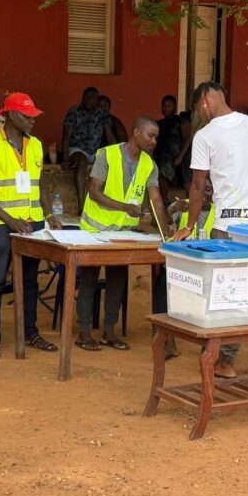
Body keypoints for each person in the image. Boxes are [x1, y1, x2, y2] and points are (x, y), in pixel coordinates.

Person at [173, 81, 248, 378]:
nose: (199, 115)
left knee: (229, 294)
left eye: (197, 108)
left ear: (205, 102)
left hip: (226, 227)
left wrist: (190, 225)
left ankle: (227, 361)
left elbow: (197, 186)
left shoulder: (205, 136)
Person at [0, 92, 61, 360]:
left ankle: (31, 333)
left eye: (34, 115)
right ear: (11, 115)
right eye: (27, 116)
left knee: (30, 280)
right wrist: (10, 221)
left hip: (32, 224)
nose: (32, 121)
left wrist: (48, 215)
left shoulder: (35, 145)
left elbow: (40, 185)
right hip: (3, 224)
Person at [77, 116, 172, 351]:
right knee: (88, 281)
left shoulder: (149, 164)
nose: (154, 141)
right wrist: (124, 207)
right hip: (94, 230)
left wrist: (166, 233)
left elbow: (156, 200)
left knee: (117, 282)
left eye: (156, 137)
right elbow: (93, 192)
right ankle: (84, 332)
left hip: (122, 233)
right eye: (151, 136)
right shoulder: (107, 155)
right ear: (136, 133)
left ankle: (109, 331)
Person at [62, 86, 117, 209]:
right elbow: (66, 135)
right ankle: (82, 206)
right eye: (85, 97)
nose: (87, 99)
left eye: (91, 97)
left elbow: (110, 136)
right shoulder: (74, 111)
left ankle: (106, 206)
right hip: (77, 149)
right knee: (82, 162)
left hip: (95, 151)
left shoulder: (102, 114)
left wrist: (120, 155)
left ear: (97, 100)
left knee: (109, 164)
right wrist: (65, 159)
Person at [153, 94, 193, 200]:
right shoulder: (158, 124)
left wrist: (180, 157)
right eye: (164, 106)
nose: (166, 108)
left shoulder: (181, 121)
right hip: (164, 158)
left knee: (187, 175)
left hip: (180, 157)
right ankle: (164, 201)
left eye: (169, 105)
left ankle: (192, 203)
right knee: (161, 169)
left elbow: (188, 138)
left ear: (175, 107)